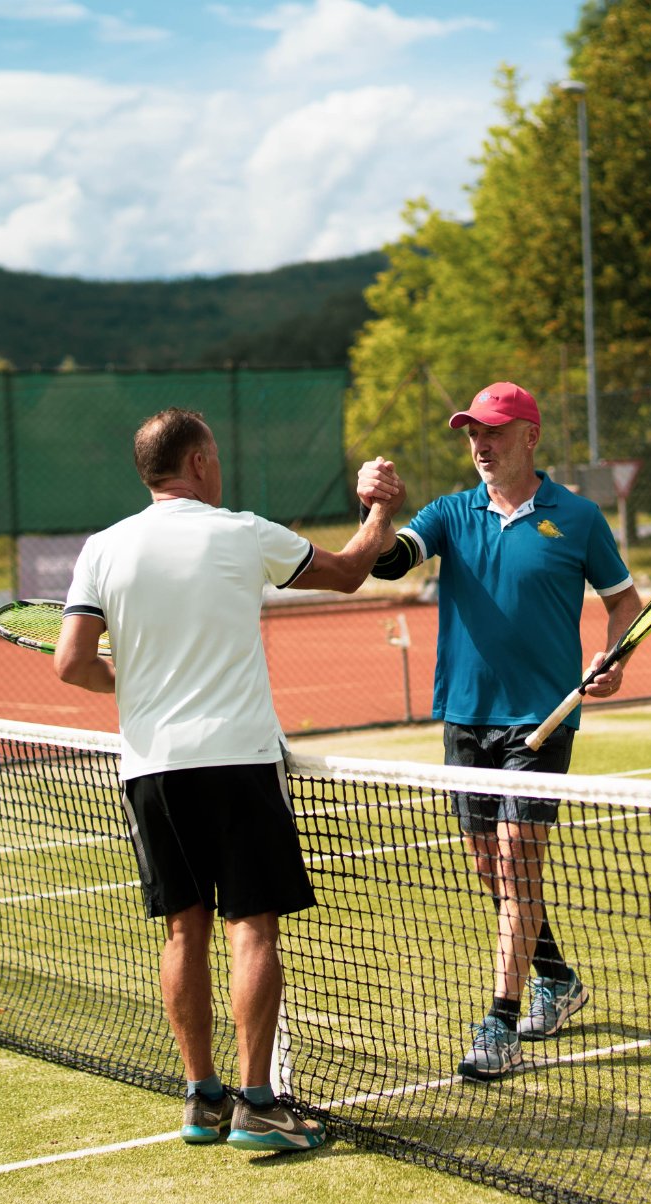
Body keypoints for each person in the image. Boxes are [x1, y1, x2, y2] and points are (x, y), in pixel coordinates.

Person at [54, 407, 404, 1149]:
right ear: (201, 461)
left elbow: (71, 664)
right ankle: (257, 1101)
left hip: (151, 768)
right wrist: (379, 512)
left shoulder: (103, 548)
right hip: (238, 762)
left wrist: (134, 679)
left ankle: (201, 1096)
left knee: (185, 928)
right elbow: (347, 573)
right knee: (253, 926)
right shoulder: (241, 531)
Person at [365, 381, 643, 1080]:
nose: (480, 445)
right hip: (465, 718)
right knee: (491, 868)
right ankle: (558, 978)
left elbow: (626, 603)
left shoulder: (577, 519)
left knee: (519, 862)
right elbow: (390, 560)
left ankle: (499, 1023)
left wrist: (615, 658)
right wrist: (374, 508)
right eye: (472, 434)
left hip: (541, 722)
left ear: (530, 436)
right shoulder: (452, 512)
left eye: (493, 431)